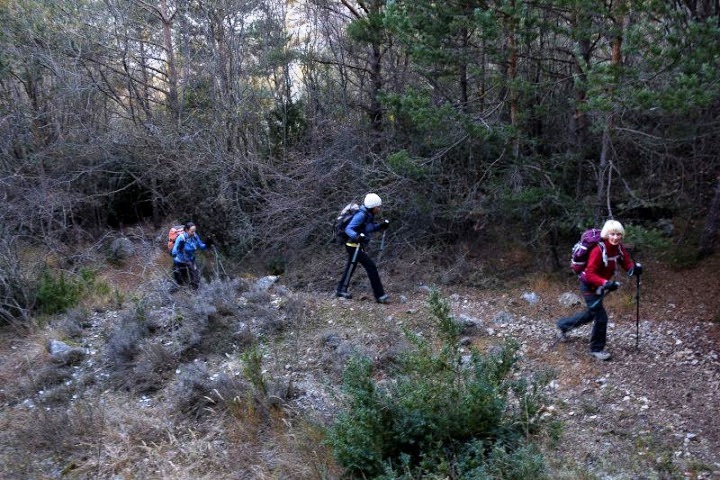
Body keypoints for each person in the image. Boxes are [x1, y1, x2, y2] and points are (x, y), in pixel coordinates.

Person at [556, 219, 643, 360]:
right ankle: (596, 349)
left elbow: (626, 262)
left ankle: (562, 326)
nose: (615, 237)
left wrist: (634, 269)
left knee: (591, 314)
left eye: (618, 234)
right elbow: (590, 274)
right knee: (601, 317)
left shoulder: (618, 248)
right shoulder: (598, 250)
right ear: (606, 234)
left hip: (599, 287)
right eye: (612, 234)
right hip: (589, 286)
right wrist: (606, 283)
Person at [336, 193, 390, 303]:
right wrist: (357, 237)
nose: (379, 209)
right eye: (378, 207)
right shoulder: (361, 215)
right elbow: (348, 229)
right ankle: (379, 295)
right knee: (371, 267)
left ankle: (341, 290)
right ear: (372, 207)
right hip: (353, 245)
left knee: (351, 266)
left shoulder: (368, 215)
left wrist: (380, 226)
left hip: (356, 245)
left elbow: (368, 228)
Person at [171, 222, 210, 289]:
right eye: (192, 231)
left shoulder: (194, 236)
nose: (193, 233)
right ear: (186, 230)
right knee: (180, 283)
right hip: (180, 262)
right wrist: (180, 247)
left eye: (194, 231)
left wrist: (208, 243)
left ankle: (195, 292)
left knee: (196, 280)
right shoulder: (181, 238)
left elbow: (201, 246)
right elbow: (174, 253)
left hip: (190, 260)